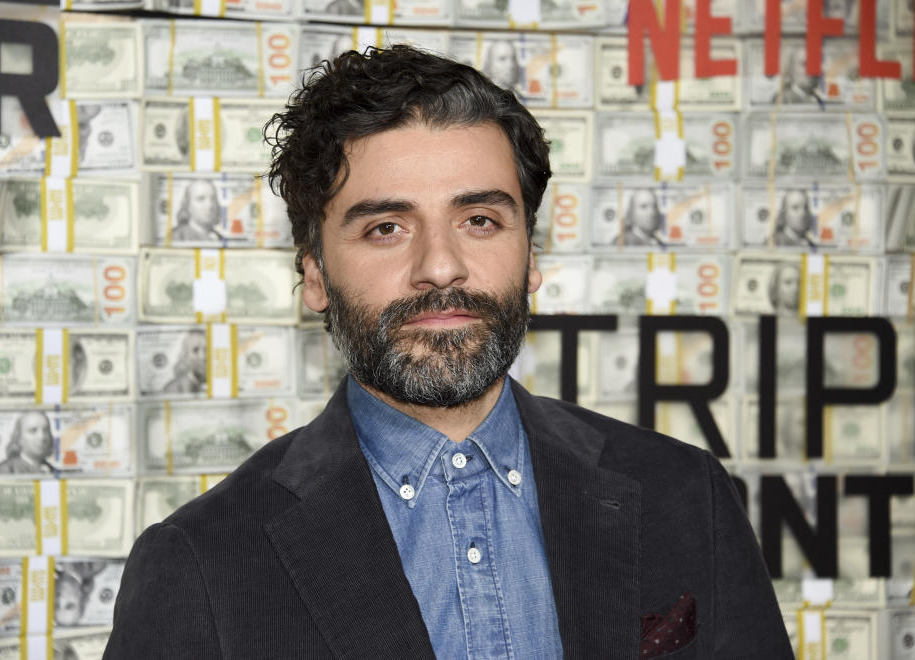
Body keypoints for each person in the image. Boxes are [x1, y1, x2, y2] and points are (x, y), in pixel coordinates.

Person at [106, 46, 792, 658]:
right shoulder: (204, 561)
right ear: (314, 273)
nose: (440, 266)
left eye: (480, 220)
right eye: (385, 227)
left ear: (531, 258)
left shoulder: (684, 495)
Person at [161, 329, 207, 394]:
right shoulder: (173, 388)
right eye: (195, 350)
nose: (203, 357)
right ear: (185, 356)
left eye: (207, 350)